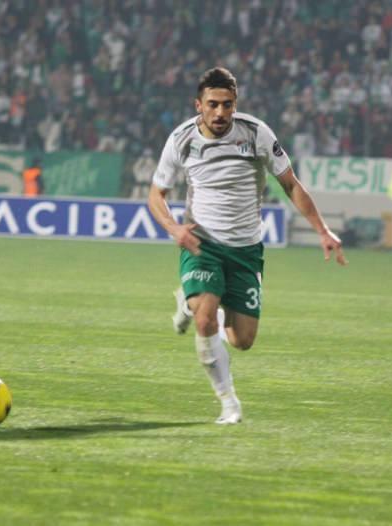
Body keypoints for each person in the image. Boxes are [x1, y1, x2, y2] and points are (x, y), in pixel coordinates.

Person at [148, 67, 346, 425]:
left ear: (235, 104)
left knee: (242, 340)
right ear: (198, 105)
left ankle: (189, 302)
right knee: (206, 318)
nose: (220, 112)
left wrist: (323, 230)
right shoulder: (181, 139)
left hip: (245, 249)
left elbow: (290, 183)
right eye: (213, 104)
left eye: (227, 104)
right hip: (202, 244)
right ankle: (229, 403)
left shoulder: (256, 133)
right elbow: (156, 194)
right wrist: (173, 228)